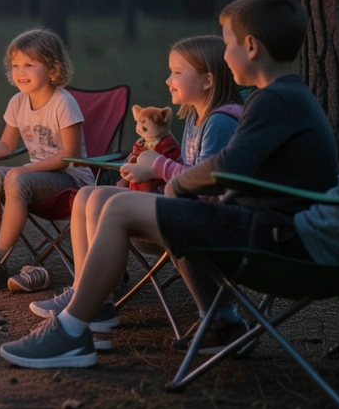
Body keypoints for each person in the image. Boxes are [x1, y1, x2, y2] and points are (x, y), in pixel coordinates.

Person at [0, 0, 339, 369]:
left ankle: (71, 330)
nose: (224, 52)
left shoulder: (272, 100)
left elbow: (225, 168)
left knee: (115, 208)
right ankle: (211, 320)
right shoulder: (282, 96)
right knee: (107, 199)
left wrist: (172, 181)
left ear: (250, 47)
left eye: (228, 44)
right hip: (273, 228)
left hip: (274, 237)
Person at [28, 35, 243, 343]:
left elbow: (206, 184)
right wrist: (146, 170)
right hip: (183, 207)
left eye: (177, 72)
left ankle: (85, 311)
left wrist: (156, 166)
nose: (168, 80)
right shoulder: (197, 117)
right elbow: (188, 175)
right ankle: (90, 296)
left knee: (107, 202)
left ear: (208, 80)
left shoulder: (220, 121)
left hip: (201, 220)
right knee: (89, 195)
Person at [0, 28, 92, 292]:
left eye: (29, 64)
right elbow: (5, 144)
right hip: (37, 179)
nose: (20, 72)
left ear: (52, 67)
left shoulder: (63, 102)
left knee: (16, 178)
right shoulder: (17, 102)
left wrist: (24, 169)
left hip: (72, 181)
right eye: (15, 65)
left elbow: (67, 156)